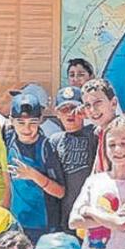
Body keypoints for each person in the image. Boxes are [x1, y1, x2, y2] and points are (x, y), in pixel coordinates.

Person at [69, 117, 125, 249]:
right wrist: (112, 219)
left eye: (124, 144)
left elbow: (122, 224)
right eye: (112, 144)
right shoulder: (95, 181)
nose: (117, 149)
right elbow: (74, 221)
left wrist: (89, 211)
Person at [5, 93, 66, 243]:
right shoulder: (8, 137)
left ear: (40, 120)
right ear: (11, 121)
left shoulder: (46, 148)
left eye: (32, 122)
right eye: (20, 122)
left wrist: (33, 175)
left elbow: (60, 192)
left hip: (43, 224)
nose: (27, 128)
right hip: (16, 223)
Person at [48, 87, 98, 230]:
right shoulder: (54, 140)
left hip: (90, 212)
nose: (70, 114)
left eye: (74, 109)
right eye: (64, 109)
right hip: (64, 214)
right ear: (57, 113)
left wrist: (90, 114)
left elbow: (113, 124)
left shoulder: (94, 133)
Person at [81, 78, 119, 169]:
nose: (92, 110)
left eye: (98, 102)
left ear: (113, 103)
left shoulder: (121, 133)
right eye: (87, 105)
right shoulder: (100, 131)